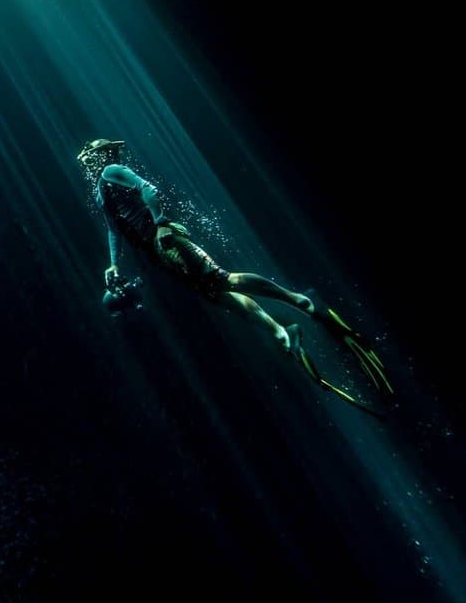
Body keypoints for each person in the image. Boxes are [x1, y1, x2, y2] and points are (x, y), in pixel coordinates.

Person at [76, 138, 390, 414]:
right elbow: (113, 229)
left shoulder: (109, 171)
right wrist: (113, 264)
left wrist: (160, 224)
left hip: (165, 239)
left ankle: (300, 302)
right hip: (157, 251)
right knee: (217, 294)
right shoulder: (102, 189)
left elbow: (148, 188)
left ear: (102, 154)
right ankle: (282, 332)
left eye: (91, 154)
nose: (88, 160)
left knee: (221, 280)